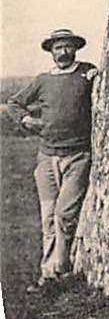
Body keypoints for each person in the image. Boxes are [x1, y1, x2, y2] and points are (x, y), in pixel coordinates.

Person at [4, 28, 98, 292]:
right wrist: (26, 120)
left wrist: (96, 76)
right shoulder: (43, 80)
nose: (63, 52)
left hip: (77, 156)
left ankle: (61, 267)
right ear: (51, 51)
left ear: (75, 49)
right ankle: (49, 275)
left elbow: (106, 82)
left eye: (68, 47)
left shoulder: (86, 74)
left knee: (64, 214)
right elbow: (14, 103)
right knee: (48, 218)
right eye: (58, 48)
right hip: (46, 159)